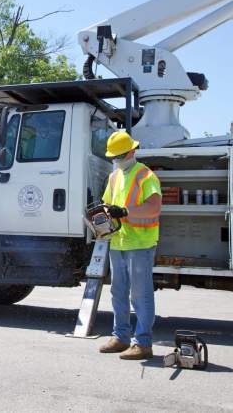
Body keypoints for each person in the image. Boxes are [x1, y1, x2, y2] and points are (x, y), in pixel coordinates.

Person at [98, 131, 161, 360]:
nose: (116, 160)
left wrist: (125, 212)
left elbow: (154, 207)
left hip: (141, 243)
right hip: (119, 241)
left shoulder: (145, 175)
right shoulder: (114, 177)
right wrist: (100, 216)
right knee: (118, 292)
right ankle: (121, 337)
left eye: (120, 156)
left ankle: (143, 343)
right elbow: (107, 204)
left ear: (132, 152)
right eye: (113, 157)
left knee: (140, 294)